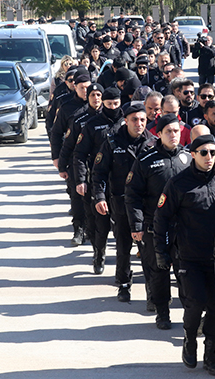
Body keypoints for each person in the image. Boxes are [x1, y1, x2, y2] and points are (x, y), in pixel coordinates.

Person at [154, 134, 215, 376]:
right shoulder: (178, 183)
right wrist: (161, 250)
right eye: (203, 153)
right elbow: (162, 218)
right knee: (195, 303)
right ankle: (189, 339)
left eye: (213, 152)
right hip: (189, 257)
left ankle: (211, 355)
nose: (209, 157)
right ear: (193, 154)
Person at [125, 114, 191, 329]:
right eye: (168, 131)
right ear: (158, 133)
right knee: (159, 272)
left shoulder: (189, 158)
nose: (173, 135)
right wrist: (137, 226)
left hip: (184, 230)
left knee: (187, 273)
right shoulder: (145, 160)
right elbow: (132, 194)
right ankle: (162, 312)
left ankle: (191, 314)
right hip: (155, 228)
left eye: (176, 130)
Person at [91, 103, 156, 302]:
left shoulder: (153, 143)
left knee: (148, 251)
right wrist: (100, 197)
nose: (139, 123)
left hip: (146, 207)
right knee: (123, 247)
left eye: (143, 120)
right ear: (125, 120)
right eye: (134, 119)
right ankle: (124, 284)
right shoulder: (112, 143)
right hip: (120, 205)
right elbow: (99, 173)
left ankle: (152, 290)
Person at [73, 87, 121, 274]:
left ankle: (122, 263)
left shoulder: (127, 122)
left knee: (122, 225)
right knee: (99, 225)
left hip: (121, 181)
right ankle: (98, 254)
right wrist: (81, 180)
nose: (112, 107)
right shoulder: (92, 125)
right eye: (109, 104)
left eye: (116, 104)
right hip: (98, 181)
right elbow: (79, 154)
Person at [54, 75, 96, 247]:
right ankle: (79, 228)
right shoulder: (66, 108)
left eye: (88, 87)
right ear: (74, 87)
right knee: (77, 196)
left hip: (96, 161)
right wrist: (58, 160)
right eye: (82, 87)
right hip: (74, 159)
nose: (86, 91)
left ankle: (94, 230)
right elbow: (57, 134)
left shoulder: (98, 106)